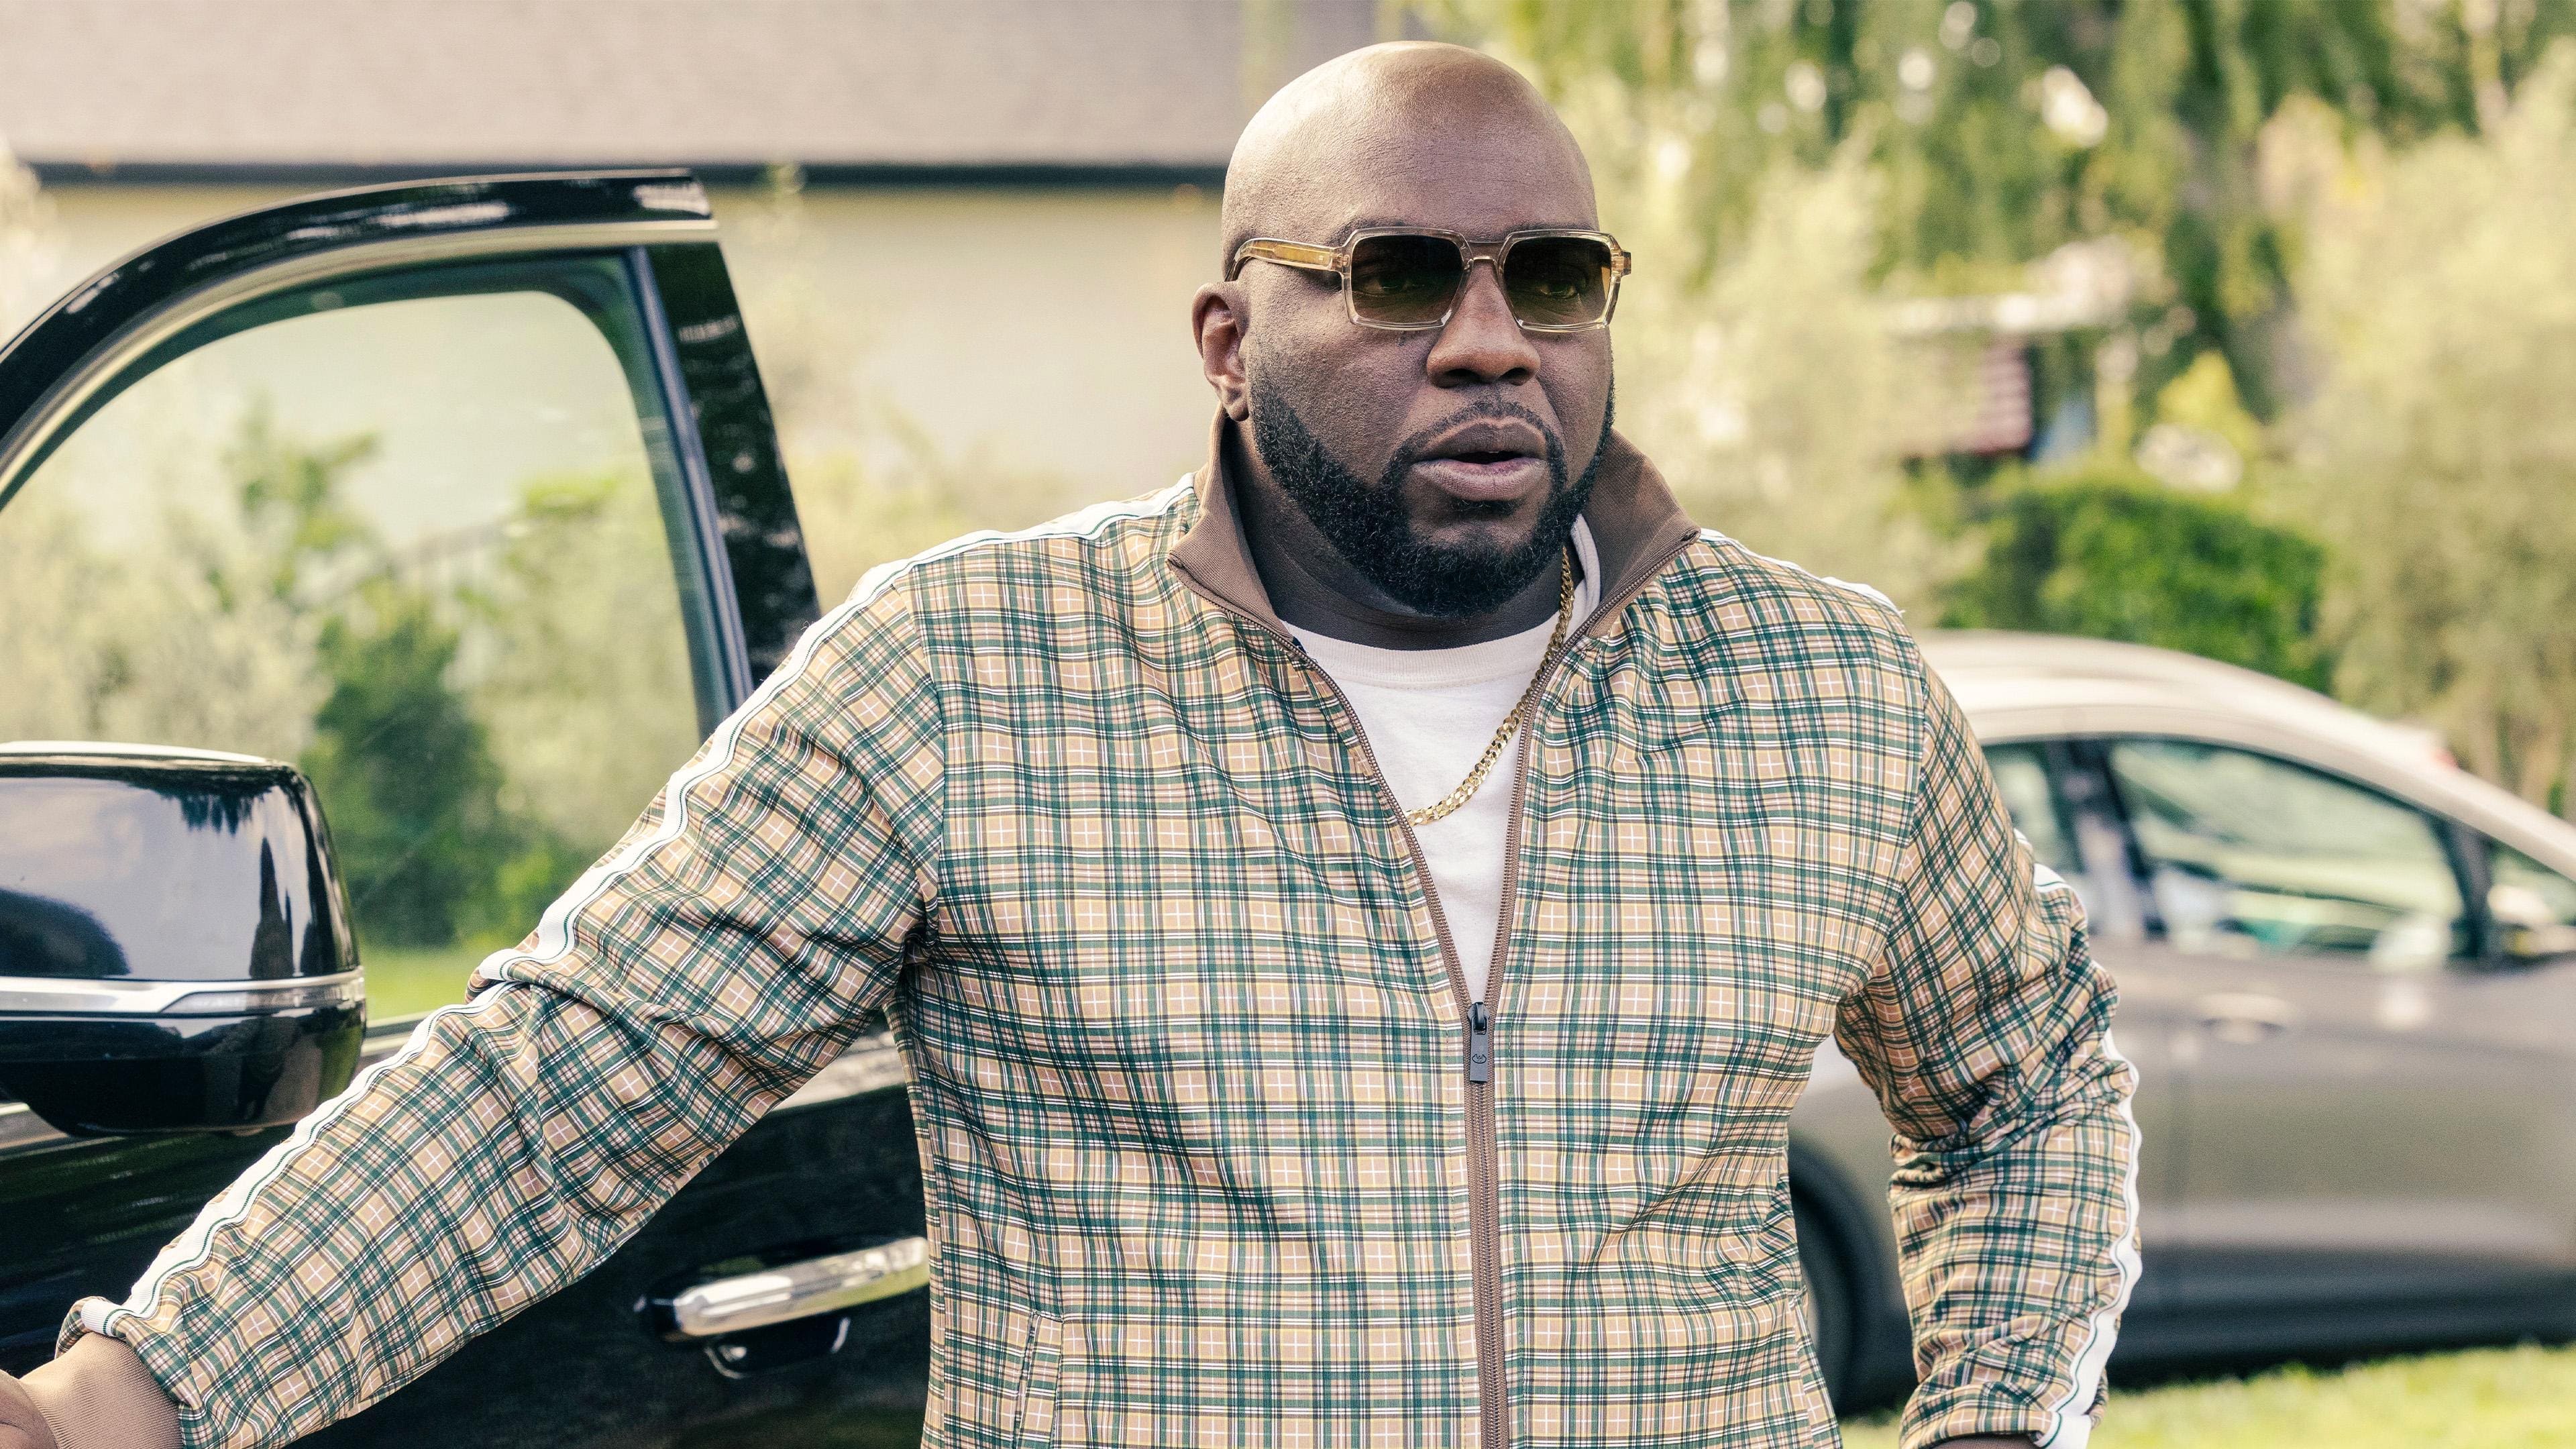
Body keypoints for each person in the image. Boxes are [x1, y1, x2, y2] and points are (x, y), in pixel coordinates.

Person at [0, 42, 2135, 1449]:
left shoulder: (1819, 693)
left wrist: (1995, 1419)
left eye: (1552, 277)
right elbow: (566, 1083)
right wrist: (130, 1398)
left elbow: (2031, 1075)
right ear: (1229, 339)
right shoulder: (968, 677)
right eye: (1399, 277)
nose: (1489, 339)